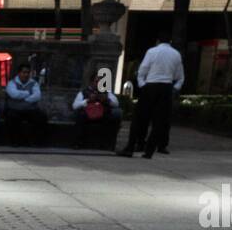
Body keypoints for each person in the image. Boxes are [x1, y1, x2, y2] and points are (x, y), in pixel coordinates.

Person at [119, 31, 183, 159]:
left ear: (157, 41)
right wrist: (173, 88)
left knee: (139, 119)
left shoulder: (152, 52)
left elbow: (142, 70)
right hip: (166, 87)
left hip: (151, 85)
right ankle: (149, 151)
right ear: (169, 41)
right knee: (160, 122)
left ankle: (131, 147)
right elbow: (179, 77)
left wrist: (143, 85)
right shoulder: (176, 54)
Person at [4, 64, 47, 146]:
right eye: (24, 72)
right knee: (11, 117)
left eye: (28, 72)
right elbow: (14, 94)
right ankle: (14, 142)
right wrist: (28, 93)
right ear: (19, 73)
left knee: (42, 117)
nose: (26, 74)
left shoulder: (33, 83)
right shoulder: (11, 83)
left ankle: (37, 142)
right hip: (15, 109)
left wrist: (23, 100)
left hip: (30, 110)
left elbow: (37, 96)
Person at [71, 82, 121, 149]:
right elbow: (75, 106)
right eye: (96, 82)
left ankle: (106, 144)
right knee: (80, 117)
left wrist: (106, 99)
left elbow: (116, 103)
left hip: (102, 115)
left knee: (111, 117)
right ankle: (77, 143)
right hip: (88, 115)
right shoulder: (83, 92)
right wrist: (87, 100)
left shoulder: (107, 92)